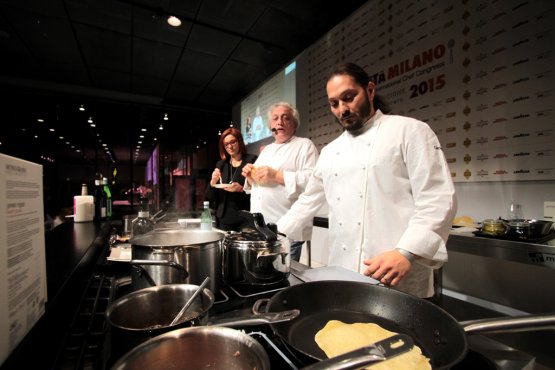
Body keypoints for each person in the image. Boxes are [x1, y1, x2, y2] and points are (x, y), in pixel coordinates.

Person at [277, 63, 457, 298]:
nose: (342, 109)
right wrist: (272, 236)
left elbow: (437, 198)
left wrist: (406, 252)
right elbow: (307, 201)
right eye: (334, 104)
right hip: (342, 269)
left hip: (396, 271)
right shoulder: (331, 151)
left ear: (370, 91)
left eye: (349, 98)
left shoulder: (410, 131)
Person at [242, 102, 319, 262]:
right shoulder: (267, 150)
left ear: (295, 124)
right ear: (270, 125)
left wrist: (277, 175)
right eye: (275, 118)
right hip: (261, 229)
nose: (280, 122)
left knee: (286, 278)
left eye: (286, 118)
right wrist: (250, 178)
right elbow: (256, 187)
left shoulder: (304, 145)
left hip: (287, 229)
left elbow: (313, 181)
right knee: (266, 276)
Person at [207, 128, 257, 231]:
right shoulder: (221, 164)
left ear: (239, 141)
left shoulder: (251, 160)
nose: (229, 146)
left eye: (232, 142)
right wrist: (213, 182)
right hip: (224, 219)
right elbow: (209, 196)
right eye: (226, 144)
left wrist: (241, 189)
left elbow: (259, 190)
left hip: (245, 218)